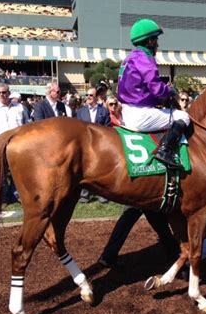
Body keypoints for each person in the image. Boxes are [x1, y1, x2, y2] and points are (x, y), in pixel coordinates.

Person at [117, 18, 190, 169]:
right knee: (183, 116)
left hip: (127, 111)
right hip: (140, 114)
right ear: (149, 41)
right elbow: (157, 88)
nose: (157, 44)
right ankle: (165, 151)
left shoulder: (129, 57)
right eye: (155, 39)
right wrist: (171, 91)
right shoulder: (145, 58)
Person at [0, 83, 28, 203]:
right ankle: (4, 197)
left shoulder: (19, 107)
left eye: (4, 92)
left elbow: (27, 123)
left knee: (19, 171)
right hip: (2, 145)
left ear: (9, 93)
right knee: (2, 173)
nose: (1, 95)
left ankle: (17, 194)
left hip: (20, 145)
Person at [98, 207, 179, 269]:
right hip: (145, 196)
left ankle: (108, 256)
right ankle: (174, 257)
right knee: (161, 226)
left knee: (126, 220)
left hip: (139, 196)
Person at [76, 87, 111, 203]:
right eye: (87, 95)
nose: (88, 97)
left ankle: (101, 194)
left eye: (91, 95)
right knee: (85, 170)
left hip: (100, 146)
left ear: (96, 97)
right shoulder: (80, 112)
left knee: (100, 170)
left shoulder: (104, 111)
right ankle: (84, 194)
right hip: (85, 146)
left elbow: (108, 128)